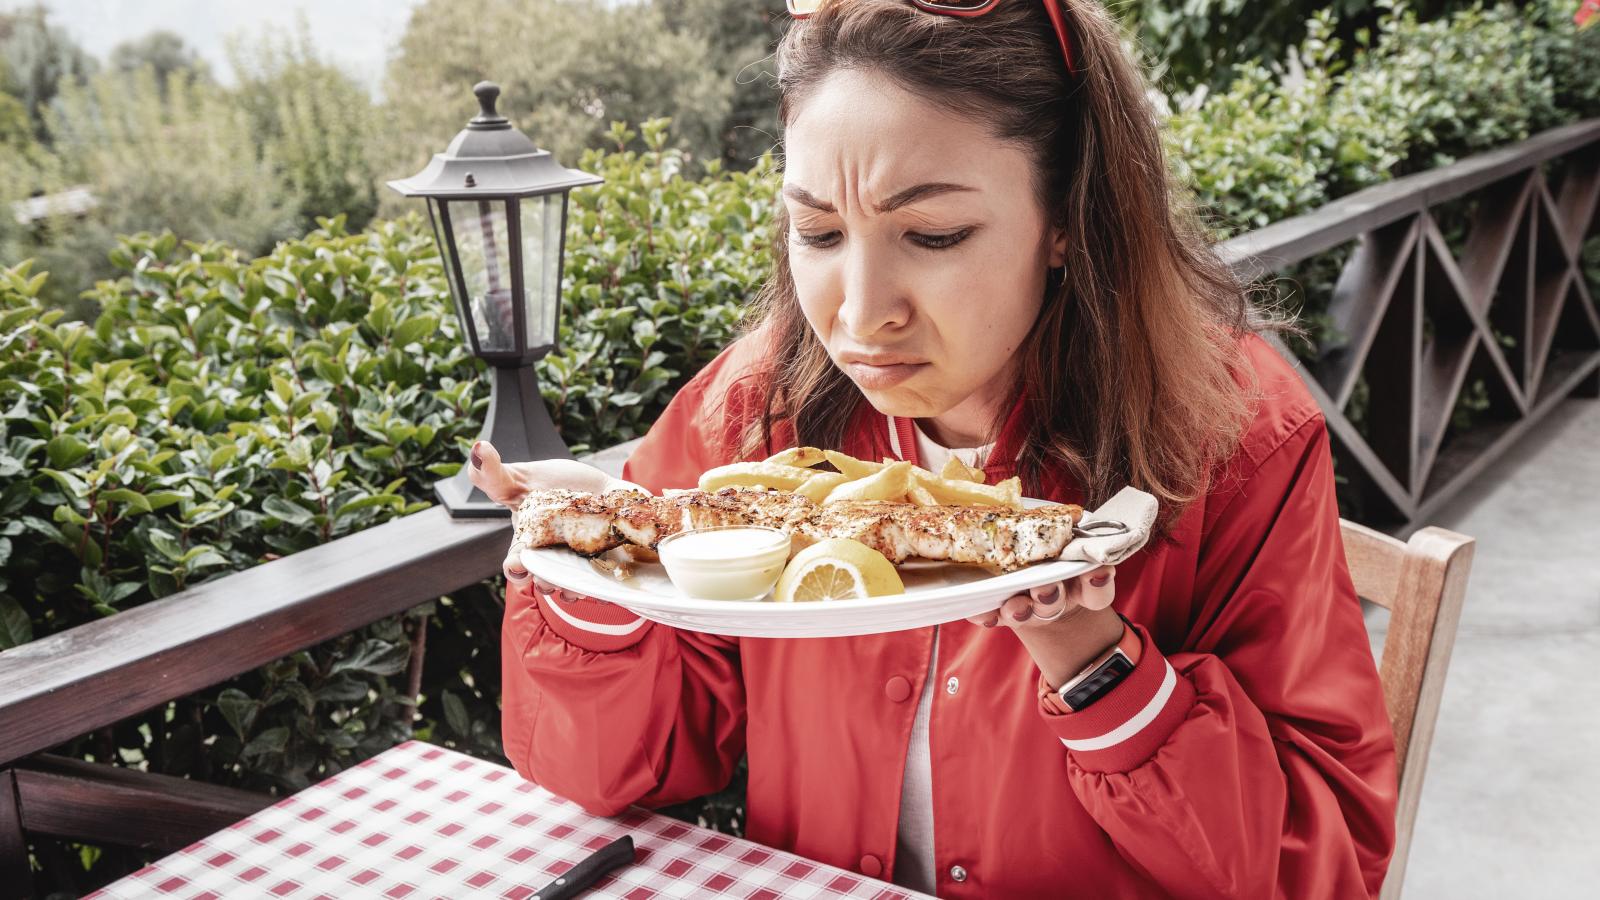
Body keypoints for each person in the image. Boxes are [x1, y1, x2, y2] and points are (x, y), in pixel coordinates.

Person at [469, 0, 1397, 896]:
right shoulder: (753, 412)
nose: (863, 312)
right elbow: (603, 772)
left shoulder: (1235, 438)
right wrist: (587, 562)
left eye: (934, 233)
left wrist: (1095, 662)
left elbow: (1325, 867)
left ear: (1068, 214)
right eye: (819, 232)